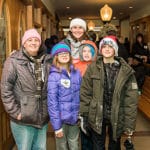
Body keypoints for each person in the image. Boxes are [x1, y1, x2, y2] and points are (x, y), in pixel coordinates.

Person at [80, 35, 139, 150]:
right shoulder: (93, 68)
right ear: (101, 50)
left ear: (115, 50)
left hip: (117, 115)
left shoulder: (125, 71)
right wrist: (84, 116)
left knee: (114, 146)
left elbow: (131, 101)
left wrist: (129, 126)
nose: (107, 49)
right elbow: (85, 93)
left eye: (110, 47)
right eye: (104, 46)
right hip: (97, 114)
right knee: (98, 146)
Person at [1, 28, 52, 150]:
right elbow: (5, 89)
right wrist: (16, 112)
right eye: (29, 40)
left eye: (36, 40)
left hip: (42, 117)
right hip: (23, 118)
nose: (33, 43)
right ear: (24, 43)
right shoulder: (13, 61)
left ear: (40, 43)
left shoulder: (47, 61)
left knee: (40, 148)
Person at [47, 42, 82, 150]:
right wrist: (57, 127)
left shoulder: (76, 73)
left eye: (66, 52)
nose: (64, 55)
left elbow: (81, 96)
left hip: (75, 119)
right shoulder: (53, 76)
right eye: (60, 53)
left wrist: (81, 115)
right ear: (56, 57)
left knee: (75, 146)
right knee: (62, 147)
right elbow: (52, 103)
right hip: (61, 120)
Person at [74, 40, 97, 150]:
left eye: (89, 51)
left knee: (96, 137)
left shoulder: (98, 66)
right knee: (84, 134)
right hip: (81, 106)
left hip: (96, 107)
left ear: (94, 53)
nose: (87, 53)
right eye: (84, 51)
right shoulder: (75, 67)